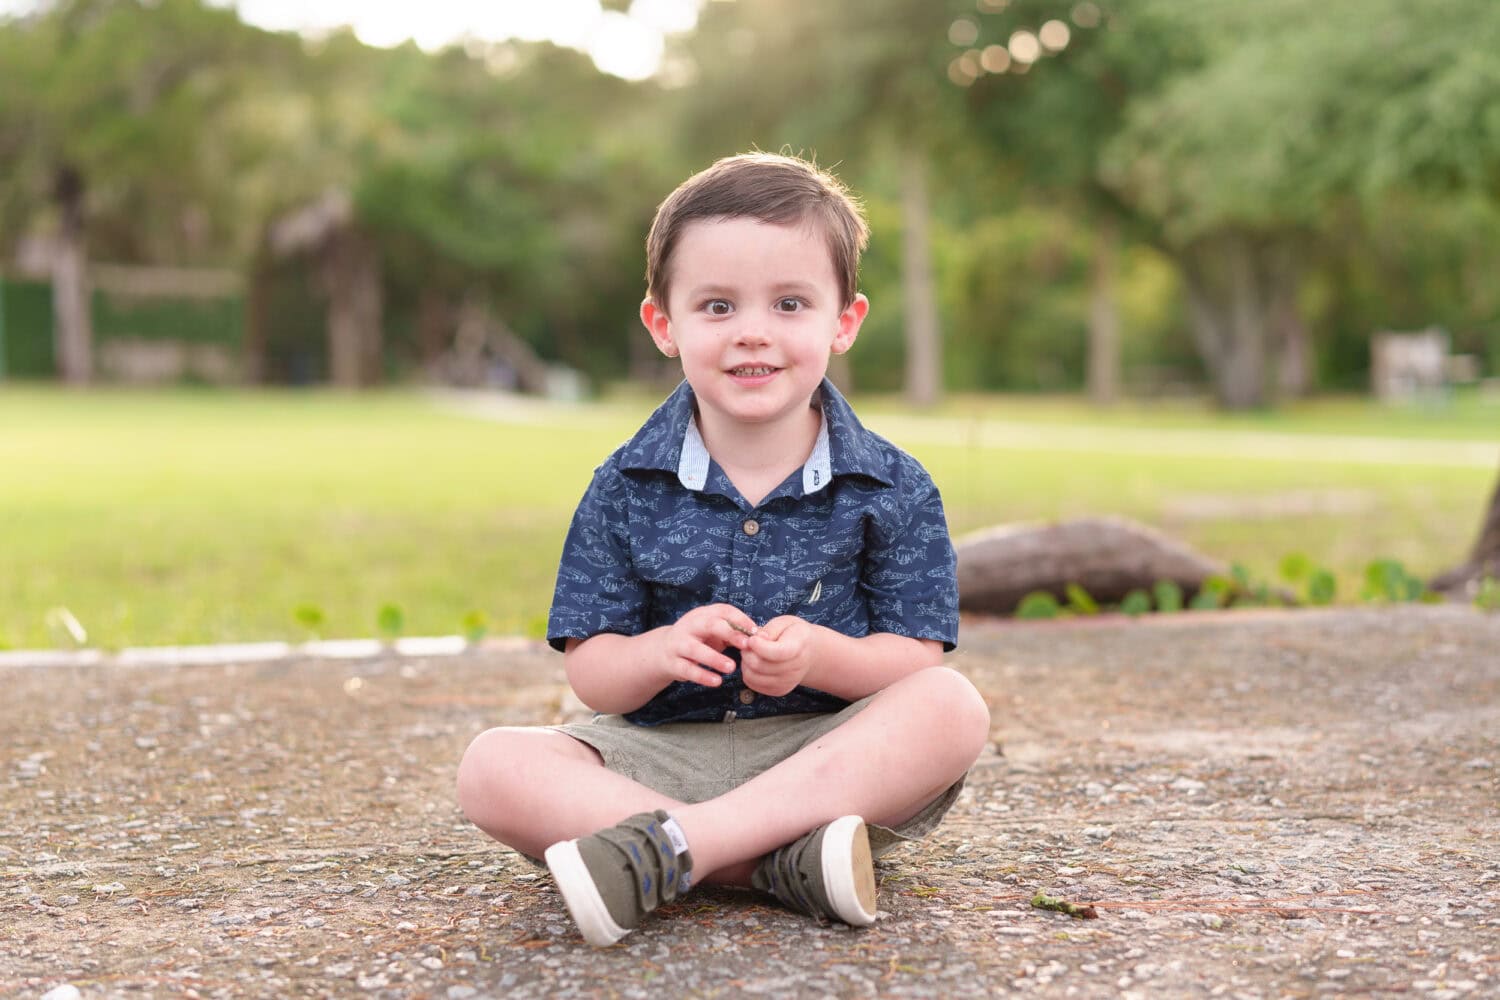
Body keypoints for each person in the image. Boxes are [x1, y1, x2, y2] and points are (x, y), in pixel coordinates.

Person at [456, 152, 991, 947]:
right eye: (716, 306)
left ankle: (678, 851)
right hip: (656, 759)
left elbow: (916, 658)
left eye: (788, 303)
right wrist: (661, 651)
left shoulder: (894, 488)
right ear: (663, 324)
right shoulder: (624, 486)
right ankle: (777, 866)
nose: (751, 332)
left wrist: (819, 658)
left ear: (842, 321)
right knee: (492, 768)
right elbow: (592, 670)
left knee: (952, 708)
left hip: (823, 762)